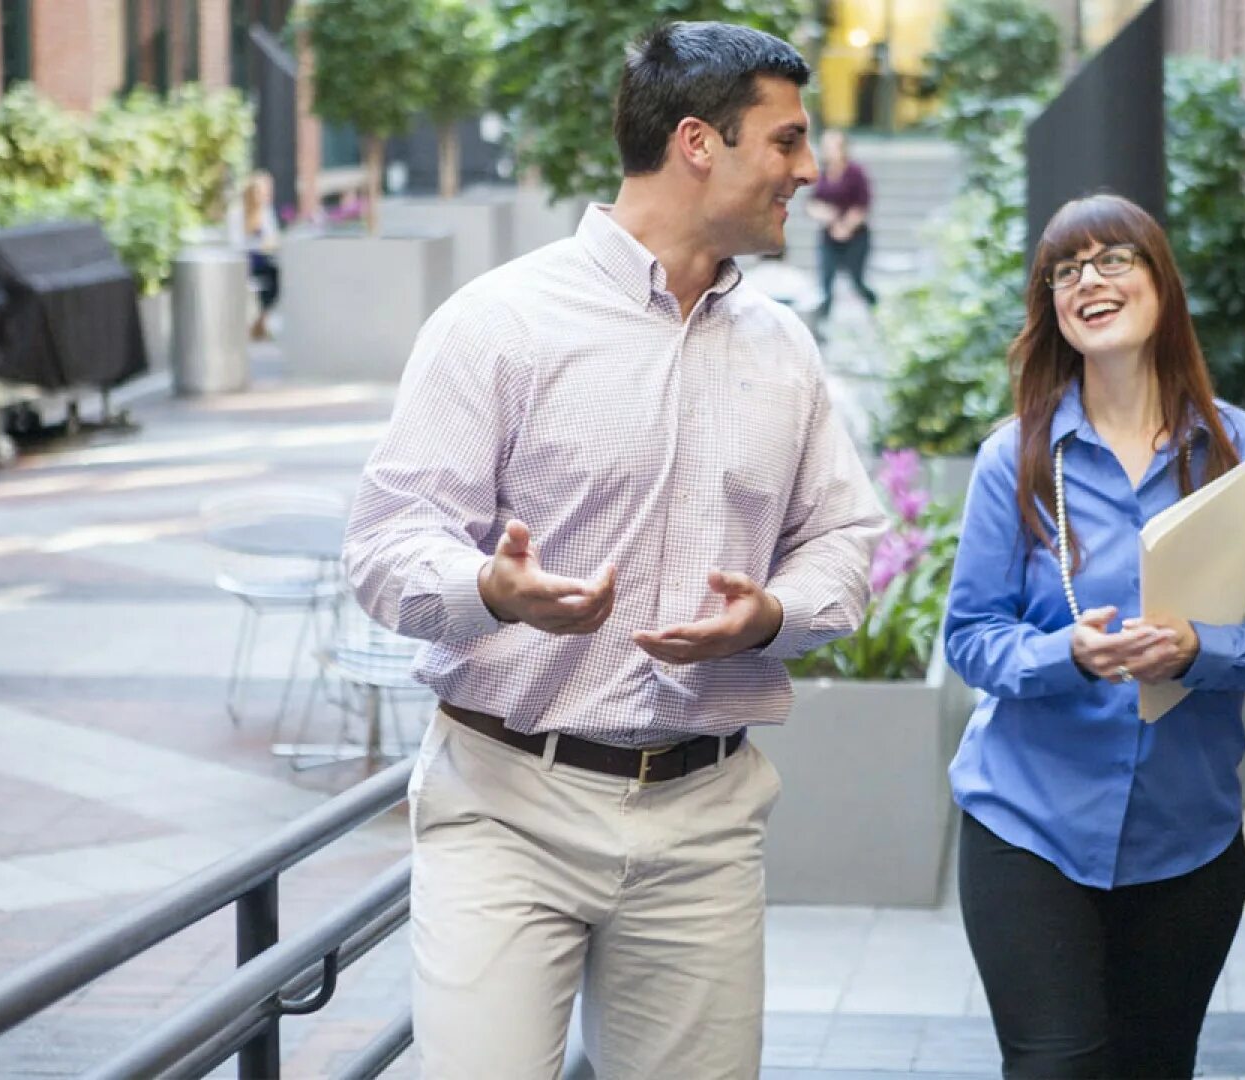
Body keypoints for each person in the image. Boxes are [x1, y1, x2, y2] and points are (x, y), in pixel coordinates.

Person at [341, 21, 886, 1080]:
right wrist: (488, 590)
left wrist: (772, 617)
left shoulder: (783, 349)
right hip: (505, 807)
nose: (809, 170)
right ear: (698, 143)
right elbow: (383, 544)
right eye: (784, 141)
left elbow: (845, 538)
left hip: (705, 819)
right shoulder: (497, 323)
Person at [942, 192, 1245, 1080]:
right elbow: (970, 638)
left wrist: (1201, 648)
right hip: (1029, 825)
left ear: (1162, 286)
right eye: (1066, 270)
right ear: (1053, 310)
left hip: (1185, 841)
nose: (1090, 280)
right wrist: (1064, 654)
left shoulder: (1241, 453)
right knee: (1059, 1067)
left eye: (1116, 258)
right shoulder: (1018, 459)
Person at [806, 128, 878, 333]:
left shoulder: (855, 172)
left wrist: (846, 226)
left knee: (857, 281)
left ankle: (876, 310)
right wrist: (825, 215)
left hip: (855, 236)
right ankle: (821, 330)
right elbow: (813, 202)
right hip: (829, 236)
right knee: (825, 284)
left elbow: (863, 204)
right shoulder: (823, 173)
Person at [241, 170, 280, 340]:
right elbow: (237, 244)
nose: (263, 196)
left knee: (276, 277)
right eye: (260, 191)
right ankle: (259, 325)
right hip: (244, 262)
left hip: (264, 261)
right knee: (267, 276)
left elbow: (273, 237)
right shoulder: (237, 213)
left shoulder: (266, 212)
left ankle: (260, 322)